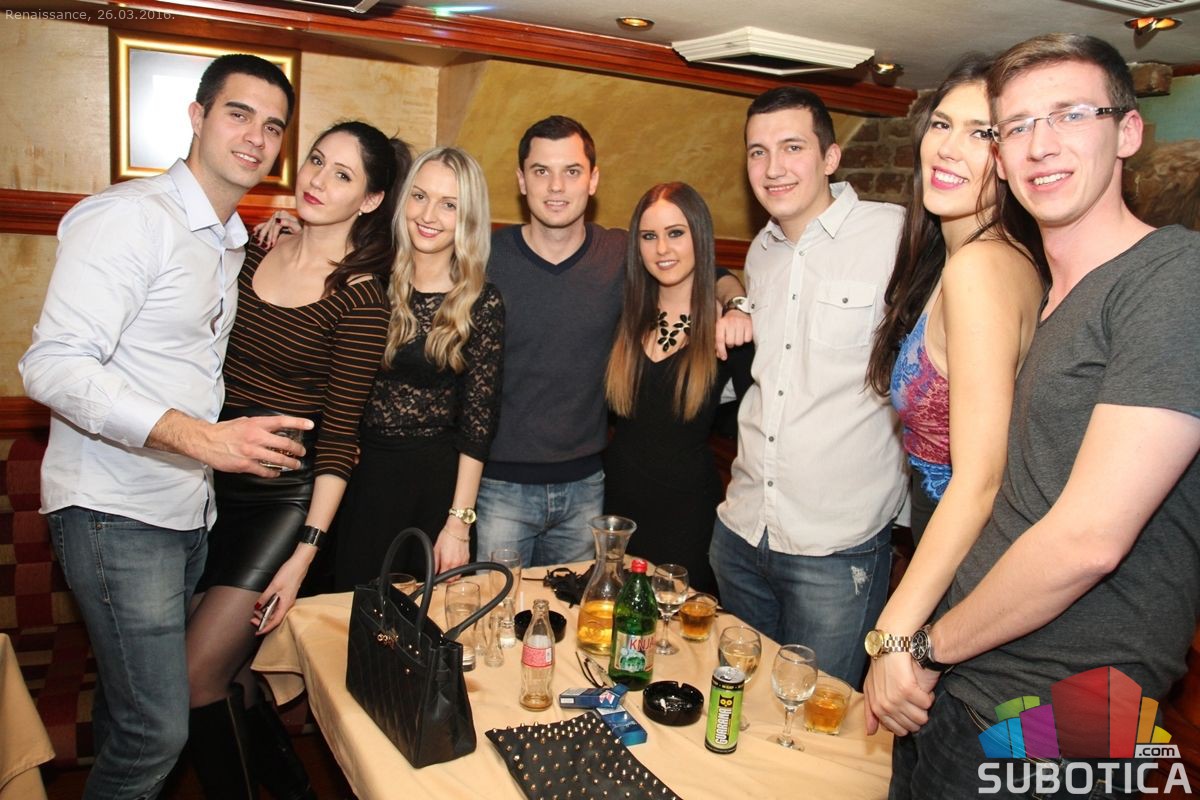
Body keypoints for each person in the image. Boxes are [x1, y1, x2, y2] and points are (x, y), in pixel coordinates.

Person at [885, 34, 1200, 799]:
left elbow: (1088, 540)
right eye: (1018, 124)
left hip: (1070, 704)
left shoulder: (1173, 278)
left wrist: (917, 645)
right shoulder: (1057, 291)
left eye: (1070, 114)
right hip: (976, 681)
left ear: (1128, 132)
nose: (1040, 143)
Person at [18, 55, 297, 800]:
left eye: (273, 126)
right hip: (114, 509)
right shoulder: (131, 217)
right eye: (239, 113)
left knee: (129, 714)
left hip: (183, 513)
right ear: (197, 117)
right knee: (156, 731)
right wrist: (204, 440)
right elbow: (52, 366)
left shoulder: (227, 238)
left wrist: (292, 236)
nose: (256, 136)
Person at [184, 121, 406, 798]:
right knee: (232, 672)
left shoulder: (361, 295)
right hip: (207, 484)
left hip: (282, 502)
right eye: (315, 161)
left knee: (195, 675)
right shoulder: (253, 251)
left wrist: (304, 554)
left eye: (343, 175)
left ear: (370, 199)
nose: (317, 179)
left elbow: (340, 438)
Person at [859, 56, 1047, 737]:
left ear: (1012, 157)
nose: (948, 147)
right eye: (942, 125)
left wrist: (893, 634)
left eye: (981, 132)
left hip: (971, 568)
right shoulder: (967, 258)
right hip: (950, 556)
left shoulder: (982, 268)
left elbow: (981, 479)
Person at [476, 115, 751, 568]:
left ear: (593, 180)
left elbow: (704, 268)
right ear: (521, 181)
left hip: (589, 488)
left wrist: (737, 303)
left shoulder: (619, 255)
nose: (556, 186)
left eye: (572, 171)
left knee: (582, 605)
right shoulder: (486, 258)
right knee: (495, 605)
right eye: (542, 171)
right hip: (501, 487)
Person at [711, 86, 907, 688]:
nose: (773, 167)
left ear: (830, 157)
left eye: (792, 147)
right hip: (742, 531)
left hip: (836, 548)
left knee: (822, 723)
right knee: (741, 710)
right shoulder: (762, 252)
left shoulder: (896, 237)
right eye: (758, 152)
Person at [333, 147, 504, 586]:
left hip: (434, 489)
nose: (429, 215)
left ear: (468, 217)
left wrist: (458, 524)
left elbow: (478, 425)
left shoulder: (481, 302)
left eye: (449, 205)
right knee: (343, 609)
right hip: (358, 480)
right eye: (420, 196)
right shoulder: (370, 279)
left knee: (422, 620)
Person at [603, 182, 752, 595]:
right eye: (649, 236)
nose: (662, 249)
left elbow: (758, 428)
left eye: (675, 233)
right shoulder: (624, 314)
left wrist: (736, 302)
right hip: (618, 509)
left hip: (687, 517)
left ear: (699, 236)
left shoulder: (727, 328)